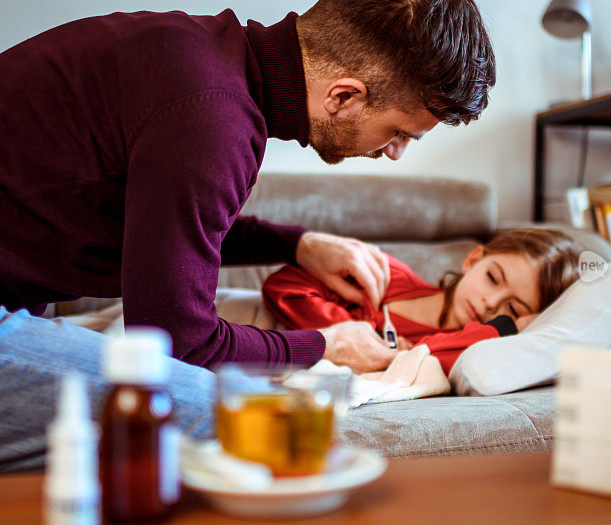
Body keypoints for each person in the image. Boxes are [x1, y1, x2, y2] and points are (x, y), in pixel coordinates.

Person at [0, 0, 496, 471]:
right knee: (230, 418)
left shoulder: (200, 59)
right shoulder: (212, 118)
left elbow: (165, 228)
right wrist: (324, 345)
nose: (396, 154)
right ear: (343, 95)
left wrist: (296, 244)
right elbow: (181, 346)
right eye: (401, 133)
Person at [263, 229, 582, 375]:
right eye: (493, 278)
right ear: (473, 260)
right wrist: (365, 334)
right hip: (253, 323)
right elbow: (284, 286)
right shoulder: (387, 276)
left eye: (511, 310)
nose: (490, 302)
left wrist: (509, 328)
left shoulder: (463, 347)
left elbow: (435, 357)